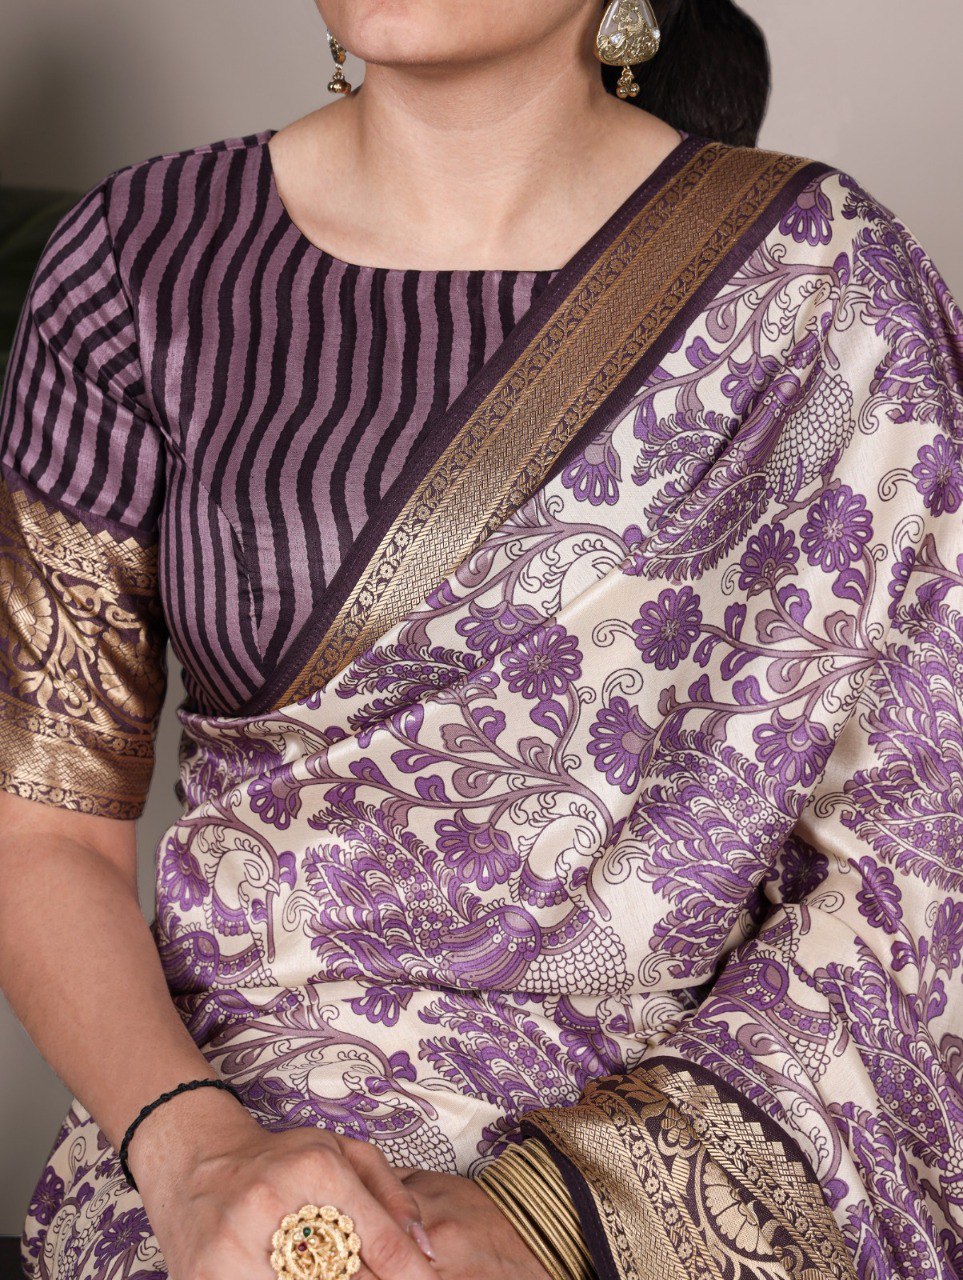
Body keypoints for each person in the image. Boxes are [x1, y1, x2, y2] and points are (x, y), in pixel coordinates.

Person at [1, 1, 961, 1278]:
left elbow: (921, 864)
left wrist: (558, 1213)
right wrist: (194, 1153)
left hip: (678, 1117)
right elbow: (43, 832)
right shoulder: (141, 264)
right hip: (229, 1121)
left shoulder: (826, 287)